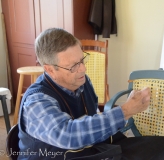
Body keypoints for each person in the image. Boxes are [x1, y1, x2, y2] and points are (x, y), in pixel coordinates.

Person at [17, 28, 152, 159]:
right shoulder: (36, 101)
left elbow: (91, 119)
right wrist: (125, 111)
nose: (83, 68)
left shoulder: (82, 82)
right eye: (73, 66)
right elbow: (68, 136)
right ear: (50, 69)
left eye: (82, 60)